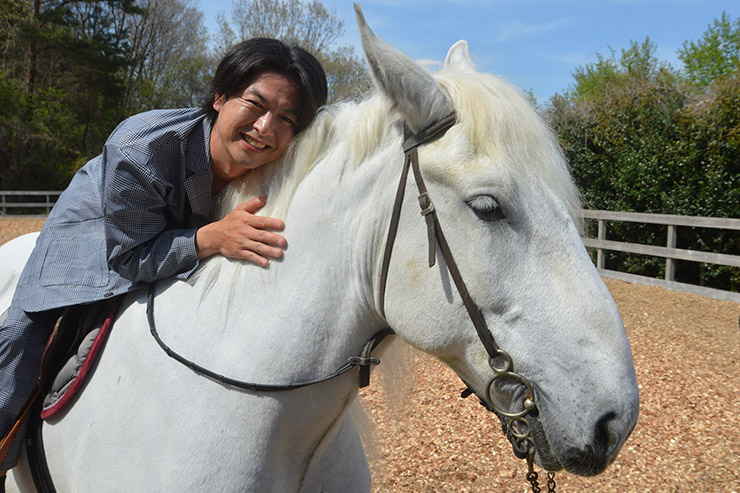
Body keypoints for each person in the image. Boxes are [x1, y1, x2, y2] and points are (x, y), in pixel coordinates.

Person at [0, 38, 328, 479]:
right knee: (25, 331)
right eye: (255, 104)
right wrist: (207, 239)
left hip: (181, 225)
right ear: (220, 97)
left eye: (287, 119)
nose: (266, 128)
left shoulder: (282, 164)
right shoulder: (142, 148)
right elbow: (131, 259)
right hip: (101, 226)